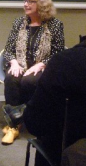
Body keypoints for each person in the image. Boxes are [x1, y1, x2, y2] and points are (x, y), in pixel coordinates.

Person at [2, 0, 64, 144]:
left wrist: (41, 65)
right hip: (20, 64)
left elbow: (58, 53)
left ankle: (30, 119)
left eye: (30, 1)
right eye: (24, 1)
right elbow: (8, 50)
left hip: (42, 67)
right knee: (11, 78)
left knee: (29, 81)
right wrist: (14, 62)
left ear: (41, 4)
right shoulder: (19, 23)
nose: (25, 4)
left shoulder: (55, 25)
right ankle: (13, 125)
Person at [22, 38, 86, 166]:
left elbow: (35, 124)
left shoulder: (66, 61)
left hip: (68, 146)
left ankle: (21, 110)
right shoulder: (19, 25)